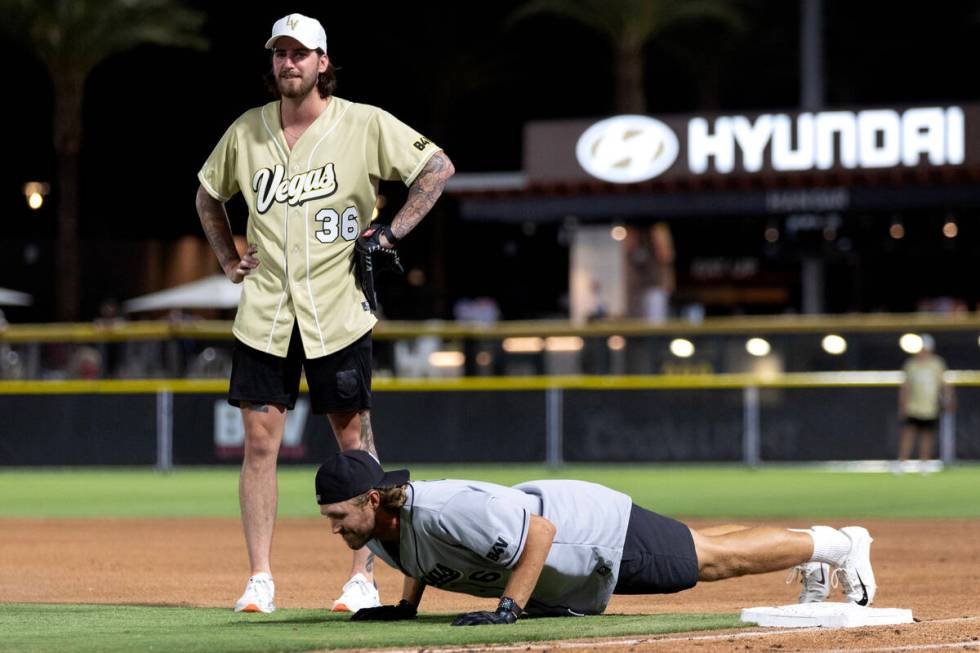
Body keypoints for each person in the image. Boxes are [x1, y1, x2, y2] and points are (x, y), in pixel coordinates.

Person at [195, 13, 455, 614]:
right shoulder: (247, 131)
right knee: (260, 444)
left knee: (354, 444)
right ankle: (260, 578)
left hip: (337, 310)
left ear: (323, 63)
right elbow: (209, 192)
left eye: (300, 54)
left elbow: (436, 168)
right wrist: (226, 258)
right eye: (280, 53)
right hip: (266, 315)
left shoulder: (361, 123)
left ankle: (363, 577)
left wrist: (391, 233)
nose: (289, 63)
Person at [314, 451, 877, 624]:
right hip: (579, 538)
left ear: (371, 499)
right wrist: (406, 608)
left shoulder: (448, 509)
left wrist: (509, 608)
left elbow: (540, 531)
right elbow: (422, 553)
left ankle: (839, 545)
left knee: (708, 563)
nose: (334, 529)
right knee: (700, 544)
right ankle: (821, 542)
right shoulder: (382, 526)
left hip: (591, 532)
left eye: (339, 515)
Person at [898, 334, 953, 466]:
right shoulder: (911, 364)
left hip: (930, 406)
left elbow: (944, 385)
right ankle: (902, 463)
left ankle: (924, 464)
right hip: (913, 406)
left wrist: (949, 400)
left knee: (927, 436)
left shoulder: (937, 364)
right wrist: (903, 405)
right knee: (908, 434)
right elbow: (905, 388)